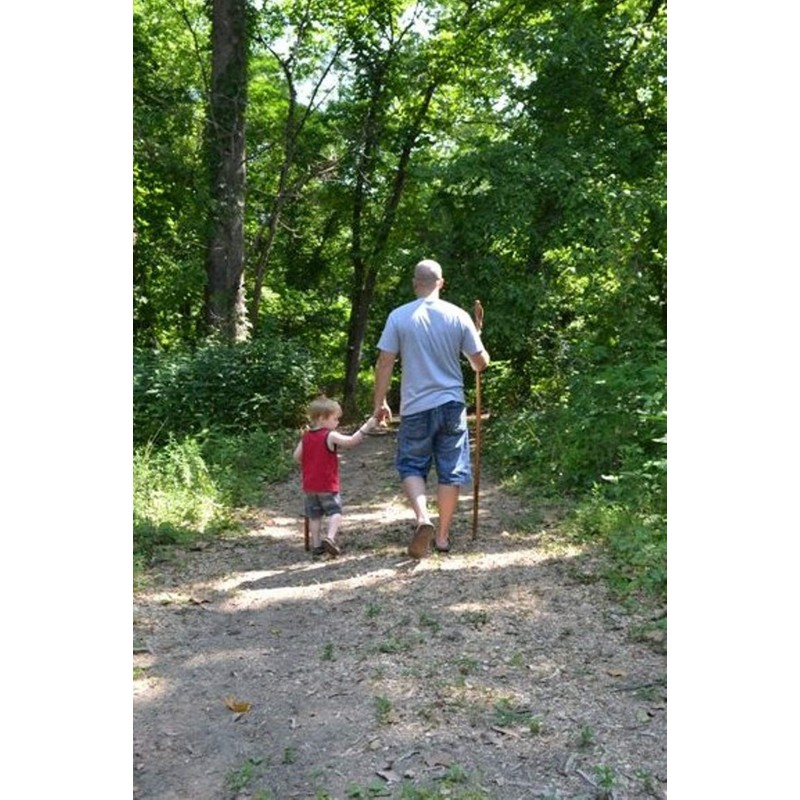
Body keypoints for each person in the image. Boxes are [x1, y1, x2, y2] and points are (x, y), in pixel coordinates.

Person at [372, 258, 490, 558]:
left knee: (412, 465)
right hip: (451, 404)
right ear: (441, 283)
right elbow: (479, 364)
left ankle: (423, 518)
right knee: (451, 469)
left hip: (415, 406)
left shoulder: (399, 316)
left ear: (415, 284)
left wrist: (380, 402)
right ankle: (442, 537)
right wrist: (477, 338)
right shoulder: (458, 315)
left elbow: (385, 362)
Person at [293, 397, 378, 557]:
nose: (337, 422)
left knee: (314, 516)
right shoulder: (330, 435)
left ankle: (316, 545)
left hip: (310, 485)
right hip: (327, 484)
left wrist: (311, 463)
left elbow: (297, 457)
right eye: (335, 419)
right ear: (322, 418)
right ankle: (330, 538)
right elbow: (351, 441)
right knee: (335, 511)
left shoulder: (306, 436)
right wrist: (367, 426)